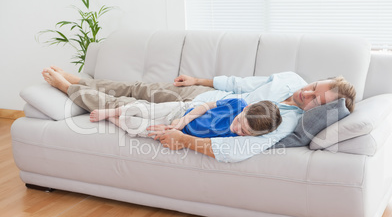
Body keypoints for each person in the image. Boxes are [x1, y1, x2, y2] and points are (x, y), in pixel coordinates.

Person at [42, 66, 356, 163]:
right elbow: (241, 83)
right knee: (138, 87)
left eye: (316, 100)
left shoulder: (284, 121)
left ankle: (70, 89)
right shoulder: (291, 79)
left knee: (127, 102)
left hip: (199, 111)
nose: (307, 94)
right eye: (315, 86)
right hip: (204, 98)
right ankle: (82, 82)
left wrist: (183, 139)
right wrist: (198, 81)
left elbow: (236, 150)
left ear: (324, 109)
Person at [89, 98, 282, 139]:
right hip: (182, 111)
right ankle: (114, 111)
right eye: (240, 122)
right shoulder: (237, 103)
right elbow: (205, 106)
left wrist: (175, 130)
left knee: (138, 127)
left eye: (245, 132)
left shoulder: (235, 139)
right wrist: (182, 121)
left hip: (178, 130)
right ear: (246, 109)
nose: (238, 129)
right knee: (146, 109)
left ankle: (114, 119)